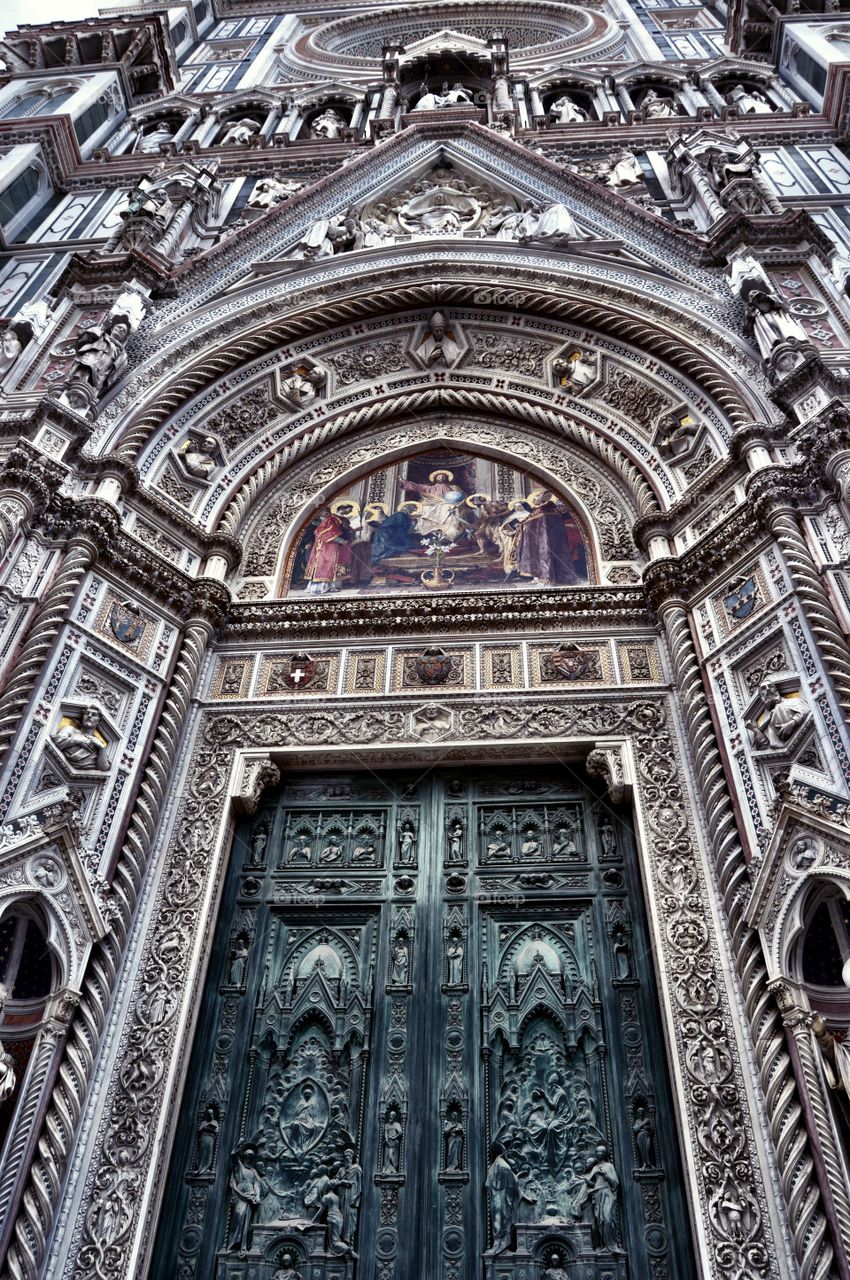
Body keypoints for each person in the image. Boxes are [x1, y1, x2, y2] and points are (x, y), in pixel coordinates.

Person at [516, 489, 585, 585]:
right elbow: (529, 523)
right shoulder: (542, 510)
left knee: (548, 555)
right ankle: (544, 577)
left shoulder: (547, 508)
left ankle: (548, 578)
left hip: (548, 538)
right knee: (544, 555)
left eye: (547, 497)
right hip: (544, 539)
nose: (538, 501)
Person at [303, 508, 353, 594]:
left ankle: (330, 586)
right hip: (325, 548)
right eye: (324, 514)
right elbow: (328, 533)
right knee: (324, 565)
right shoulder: (330, 520)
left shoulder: (331, 521)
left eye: (327, 513)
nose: (326, 515)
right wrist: (341, 540)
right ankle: (320, 588)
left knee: (330, 566)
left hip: (328, 547)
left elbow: (334, 532)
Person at [52, 705, 110, 771]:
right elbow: (57, 742)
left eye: (94, 715)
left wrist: (102, 749)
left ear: (99, 721)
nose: (89, 716)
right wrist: (78, 741)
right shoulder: (69, 730)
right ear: (83, 717)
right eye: (87, 713)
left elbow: (103, 768)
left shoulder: (98, 744)